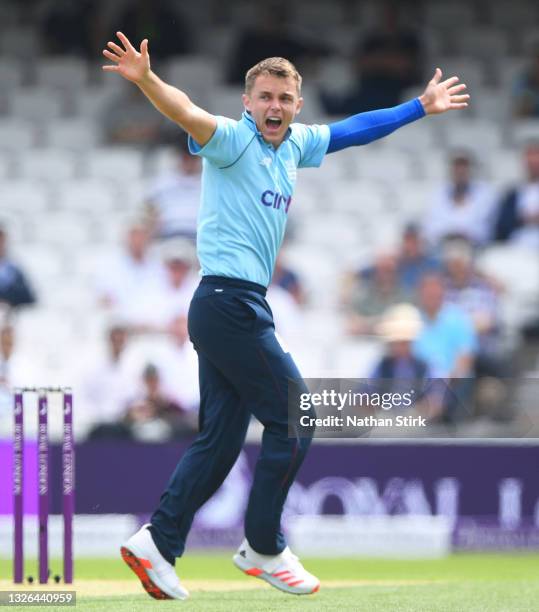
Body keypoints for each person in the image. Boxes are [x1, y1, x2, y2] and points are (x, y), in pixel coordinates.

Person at [102, 30, 468, 600]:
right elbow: (187, 111)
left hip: (230, 307)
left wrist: (419, 106)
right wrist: (147, 79)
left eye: (285, 99)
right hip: (228, 304)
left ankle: (159, 540)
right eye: (265, 97)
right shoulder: (230, 141)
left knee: (220, 442)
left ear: (297, 106)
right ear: (247, 102)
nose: (275, 107)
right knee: (298, 418)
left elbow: (353, 130)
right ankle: (264, 545)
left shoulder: (294, 145)